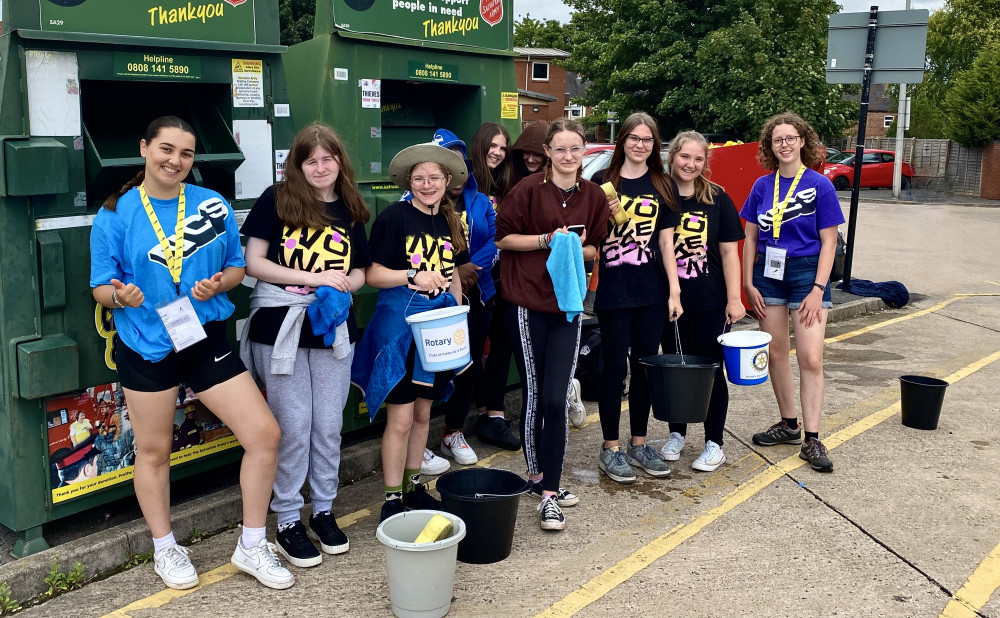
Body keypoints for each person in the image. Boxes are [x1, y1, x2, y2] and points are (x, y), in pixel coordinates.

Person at [89, 116, 294, 591]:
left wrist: (218, 283)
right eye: (165, 149)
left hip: (203, 336)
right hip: (145, 342)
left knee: (264, 435)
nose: (175, 161)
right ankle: (165, 547)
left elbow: (237, 267)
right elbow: (100, 286)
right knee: (155, 450)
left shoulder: (212, 204)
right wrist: (120, 297)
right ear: (144, 148)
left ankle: (252, 543)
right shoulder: (116, 213)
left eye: (185, 153)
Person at [240, 123, 370, 568]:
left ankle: (325, 509)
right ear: (296, 164)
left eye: (327, 159)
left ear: (339, 162)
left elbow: (361, 271)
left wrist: (342, 286)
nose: (320, 167)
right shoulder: (276, 200)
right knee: (293, 425)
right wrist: (315, 279)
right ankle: (289, 518)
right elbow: (253, 262)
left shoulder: (351, 206)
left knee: (329, 424)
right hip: (282, 326)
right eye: (310, 160)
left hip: (332, 326)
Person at [495, 118, 610, 530]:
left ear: (583, 152)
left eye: (575, 149)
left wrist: (575, 246)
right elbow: (503, 238)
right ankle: (538, 476)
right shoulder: (527, 191)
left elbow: (597, 245)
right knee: (535, 392)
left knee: (555, 398)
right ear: (547, 151)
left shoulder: (594, 195)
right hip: (527, 304)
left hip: (568, 306)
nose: (567, 156)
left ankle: (550, 491)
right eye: (560, 149)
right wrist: (548, 239)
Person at [351, 143, 470, 522]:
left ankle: (414, 485)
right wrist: (410, 276)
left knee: (423, 415)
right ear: (408, 182)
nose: (426, 184)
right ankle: (391, 497)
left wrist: (457, 314)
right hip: (399, 332)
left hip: (435, 333)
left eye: (434, 177)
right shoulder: (393, 218)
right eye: (418, 178)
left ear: (447, 180)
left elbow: (452, 275)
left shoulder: (452, 220)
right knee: (400, 419)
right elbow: (371, 274)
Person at [740, 112, 844, 473]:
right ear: (770, 146)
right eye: (776, 140)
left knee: (811, 358)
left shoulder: (820, 185)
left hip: (806, 274)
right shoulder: (761, 187)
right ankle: (788, 424)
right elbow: (751, 236)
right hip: (768, 274)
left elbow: (830, 242)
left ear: (803, 141)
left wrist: (818, 288)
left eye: (790, 138)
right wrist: (748, 282)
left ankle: (812, 437)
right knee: (776, 353)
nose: (783, 145)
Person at [590, 112, 682, 484]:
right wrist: (603, 219)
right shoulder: (601, 182)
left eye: (648, 139)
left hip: (652, 291)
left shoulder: (663, 183)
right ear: (622, 141)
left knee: (645, 366)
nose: (640, 145)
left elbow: (666, 243)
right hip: (613, 289)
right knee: (614, 368)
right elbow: (590, 239)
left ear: (654, 144)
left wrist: (674, 291)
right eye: (634, 138)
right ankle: (610, 448)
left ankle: (639, 443)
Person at [659, 130, 746, 472]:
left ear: (705, 163)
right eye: (685, 157)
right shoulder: (660, 194)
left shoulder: (718, 199)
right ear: (672, 156)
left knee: (711, 370)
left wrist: (735, 298)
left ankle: (714, 443)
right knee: (675, 370)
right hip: (670, 301)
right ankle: (676, 434)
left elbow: (728, 252)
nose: (691, 164)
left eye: (698, 159)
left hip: (710, 299)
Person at [413, 129, 500, 467]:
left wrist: (471, 269)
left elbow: (495, 238)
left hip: (479, 295)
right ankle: (417, 439)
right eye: (447, 164)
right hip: (432, 299)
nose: (457, 172)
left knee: (468, 364)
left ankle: (452, 431)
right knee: (428, 367)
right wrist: (455, 272)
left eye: (461, 163)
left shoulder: (481, 202)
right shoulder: (415, 205)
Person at [473, 121, 551, 450]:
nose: (498, 152)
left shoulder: (509, 182)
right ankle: (470, 419)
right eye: (493, 146)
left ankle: (494, 414)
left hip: (505, 279)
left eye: (503, 148)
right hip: (470, 279)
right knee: (473, 350)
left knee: (503, 343)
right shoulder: (467, 183)